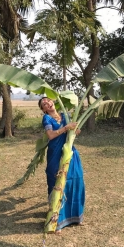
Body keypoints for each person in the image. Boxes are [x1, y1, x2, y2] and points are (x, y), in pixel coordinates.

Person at [38, 97, 85, 234]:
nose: (47, 103)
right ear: (44, 109)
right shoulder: (46, 119)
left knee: (75, 180)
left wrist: (75, 131)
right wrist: (65, 128)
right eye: (44, 104)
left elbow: (73, 131)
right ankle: (56, 220)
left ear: (53, 102)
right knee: (56, 182)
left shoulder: (65, 115)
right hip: (55, 154)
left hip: (69, 152)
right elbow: (51, 135)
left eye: (48, 101)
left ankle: (75, 217)